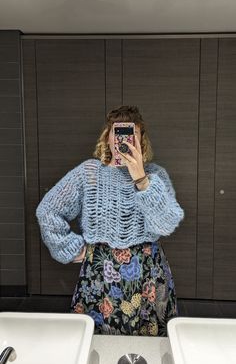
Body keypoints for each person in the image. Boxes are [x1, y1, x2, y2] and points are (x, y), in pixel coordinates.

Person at [36, 105, 184, 336]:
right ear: (108, 137)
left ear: (140, 138)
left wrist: (141, 180)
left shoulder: (155, 175)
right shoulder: (89, 174)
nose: (122, 139)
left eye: (130, 133)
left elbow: (167, 224)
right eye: (117, 132)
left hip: (147, 273)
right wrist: (73, 250)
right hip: (101, 274)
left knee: (149, 343)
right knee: (98, 343)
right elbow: (48, 210)